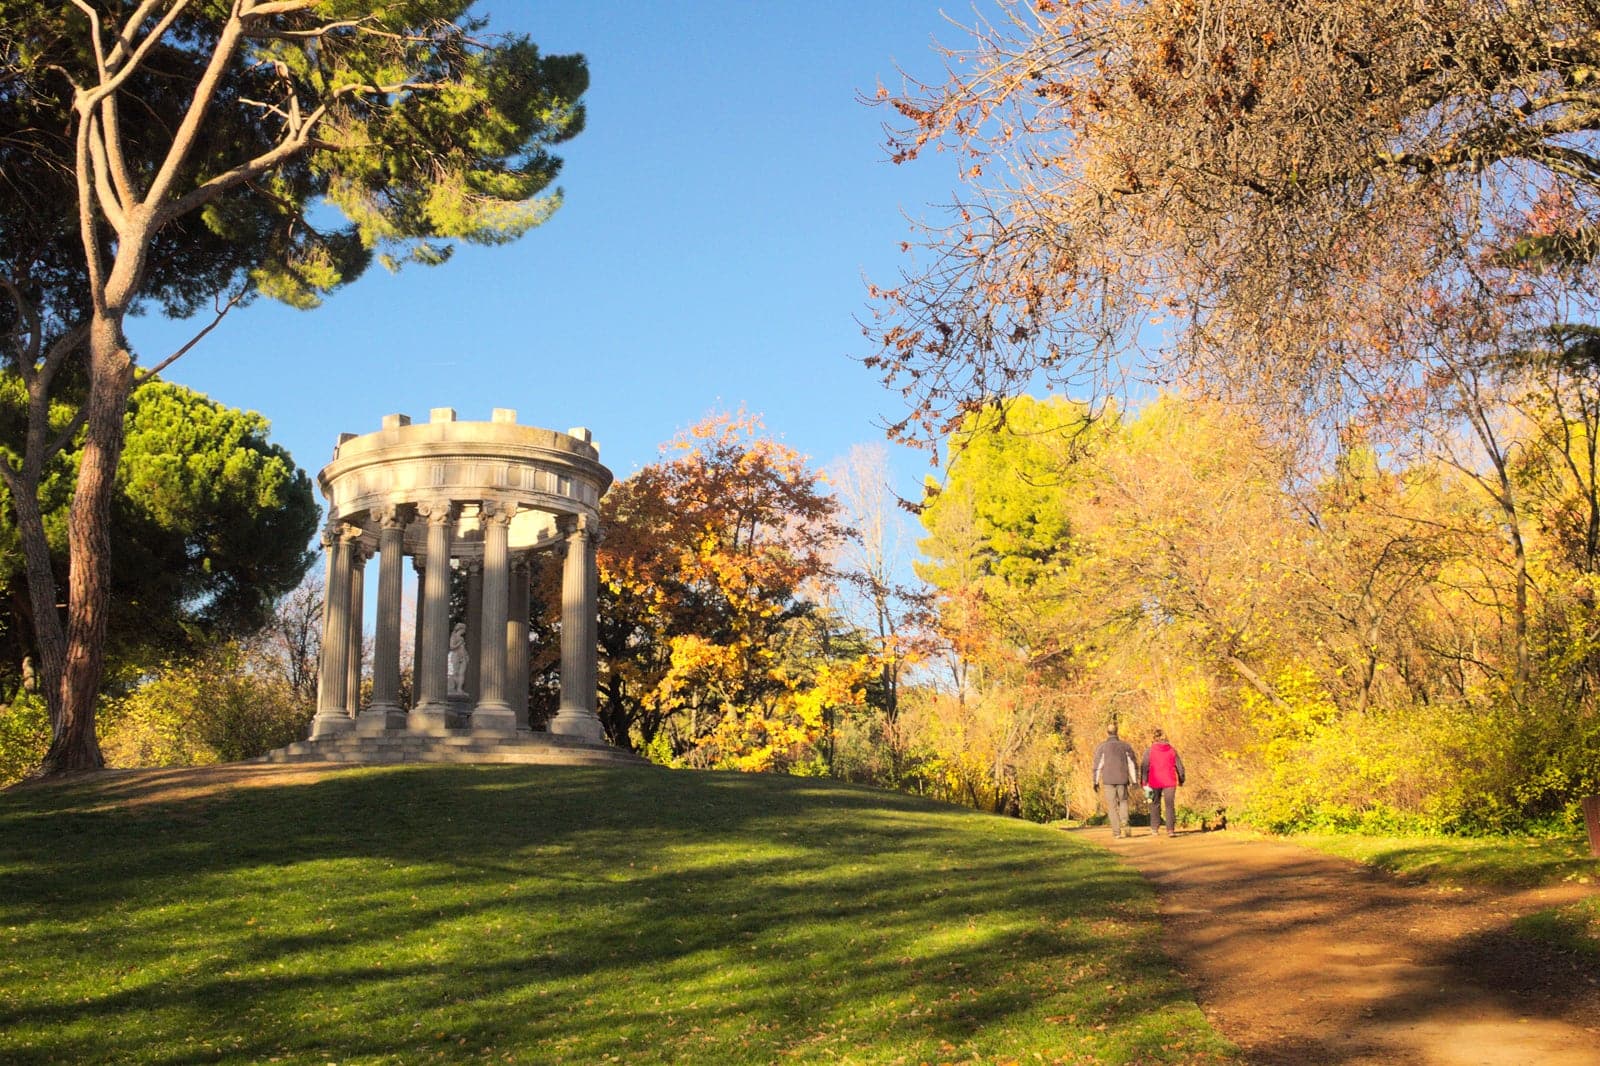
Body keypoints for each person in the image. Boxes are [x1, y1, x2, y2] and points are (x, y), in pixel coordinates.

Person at [1092, 723, 1140, 839]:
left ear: (1107, 732)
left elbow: (1098, 766)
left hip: (1108, 780)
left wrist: (1095, 781)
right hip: (1122, 778)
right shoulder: (1125, 746)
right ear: (1117, 731)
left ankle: (1116, 832)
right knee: (1123, 801)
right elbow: (1131, 764)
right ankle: (1125, 821)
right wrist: (1134, 780)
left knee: (1112, 806)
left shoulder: (1102, 747)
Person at [1141, 728, 1186, 837]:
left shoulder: (1149, 751)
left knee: (1154, 804)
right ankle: (1170, 830)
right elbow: (1180, 767)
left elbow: (1144, 767)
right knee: (1169, 805)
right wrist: (1181, 779)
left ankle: (1154, 828)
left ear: (1154, 738)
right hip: (1170, 781)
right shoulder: (1172, 750)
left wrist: (1143, 781)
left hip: (1154, 781)